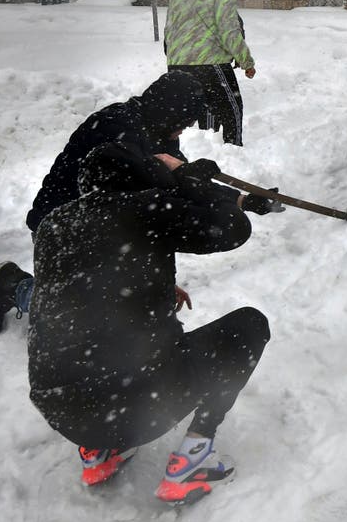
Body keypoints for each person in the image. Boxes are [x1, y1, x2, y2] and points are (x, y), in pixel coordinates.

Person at [27, 142, 269, 503]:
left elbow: (80, 286)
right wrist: (189, 182)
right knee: (250, 326)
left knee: (96, 351)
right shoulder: (143, 208)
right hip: (135, 406)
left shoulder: (54, 226)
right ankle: (193, 462)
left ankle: (100, 451)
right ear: (140, 178)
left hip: (61, 410)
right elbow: (233, 228)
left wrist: (151, 283)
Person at [0, 70, 281, 336]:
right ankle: (14, 287)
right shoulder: (117, 129)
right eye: (183, 121)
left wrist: (243, 199)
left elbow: (183, 183)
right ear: (169, 111)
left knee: (120, 311)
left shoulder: (159, 129)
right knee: (80, 321)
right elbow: (162, 185)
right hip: (63, 226)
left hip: (109, 227)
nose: (184, 129)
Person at [164, 0, 256, 147]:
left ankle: (207, 149)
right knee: (232, 109)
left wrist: (177, 59)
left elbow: (169, 31)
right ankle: (234, 152)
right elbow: (229, 31)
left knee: (204, 109)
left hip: (177, 65)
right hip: (210, 64)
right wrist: (246, 61)